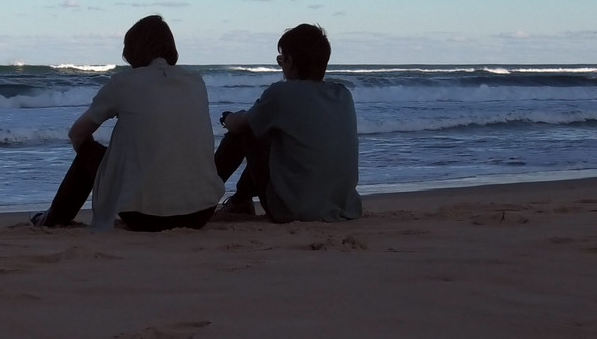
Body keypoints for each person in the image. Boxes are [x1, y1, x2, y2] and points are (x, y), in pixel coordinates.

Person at [32, 15, 225, 232]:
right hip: (202, 212)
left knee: (87, 148)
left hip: (146, 216)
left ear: (132, 50)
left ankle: (53, 218)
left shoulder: (124, 83)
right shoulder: (196, 82)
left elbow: (77, 133)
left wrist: (107, 168)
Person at [215, 23, 362, 222]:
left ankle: (203, 197)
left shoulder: (282, 93)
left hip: (294, 209)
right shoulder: (343, 94)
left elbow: (240, 124)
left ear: (290, 61)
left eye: (281, 60)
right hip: (346, 207)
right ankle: (239, 199)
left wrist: (226, 117)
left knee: (246, 131)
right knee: (270, 131)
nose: (281, 66)